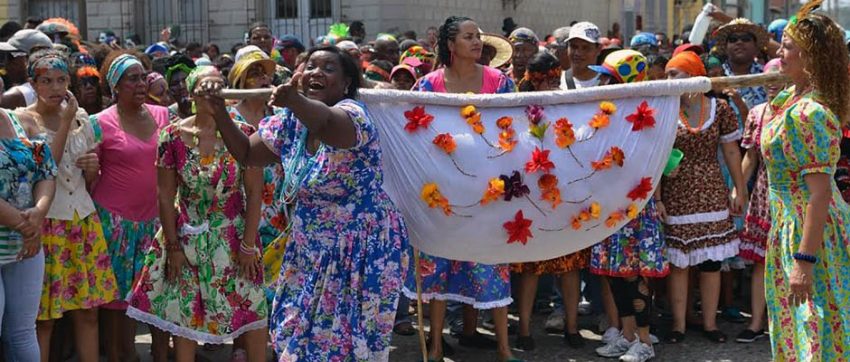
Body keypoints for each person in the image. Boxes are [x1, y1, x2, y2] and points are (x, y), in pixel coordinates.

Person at [199, 44, 408, 361]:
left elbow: (327, 125)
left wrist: (294, 100)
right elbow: (246, 153)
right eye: (310, 66)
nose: (316, 72)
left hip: (360, 250)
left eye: (327, 68)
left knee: (341, 346)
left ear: (346, 83)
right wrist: (218, 111)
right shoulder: (290, 123)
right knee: (292, 334)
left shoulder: (355, 116)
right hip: (308, 246)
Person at [126, 66, 267, 362]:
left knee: (251, 311)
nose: (214, 93)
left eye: (220, 86)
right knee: (185, 319)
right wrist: (174, 247)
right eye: (206, 87)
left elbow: (254, 193)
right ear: (192, 94)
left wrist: (248, 244)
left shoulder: (245, 135)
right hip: (188, 238)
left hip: (235, 236)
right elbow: (165, 195)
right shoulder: (172, 136)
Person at [404, 16, 520, 362]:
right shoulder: (426, 86)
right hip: (440, 192)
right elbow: (411, 130)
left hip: (489, 190)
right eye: (469, 37)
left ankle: (503, 347)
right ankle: (436, 347)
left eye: (478, 37)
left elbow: (514, 129)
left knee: (492, 263)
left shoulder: (501, 82)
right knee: (437, 266)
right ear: (450, 45)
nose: (477, 42)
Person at [14, 49, 117, 362]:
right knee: (44, 319)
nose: (56, 88)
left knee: (88, 313)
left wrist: (92, 168)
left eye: (61, 80)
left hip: (83, 220)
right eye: (46, 80)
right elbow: (46, 166)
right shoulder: (23, 120)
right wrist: (67, 119)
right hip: (48, 222)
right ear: (34, 83)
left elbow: (90, 180)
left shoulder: (82, 118)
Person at [762, 4, 850, 359]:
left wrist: (804, 259)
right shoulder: (789, 100)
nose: (779, 53)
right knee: (795, 323)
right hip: (787, 224)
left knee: (816, 322)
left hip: (810, 231)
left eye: (787, 46)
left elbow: (820, 194)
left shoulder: (809, 113)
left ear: (810, 55)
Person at [661, 50, 747, 344]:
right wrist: (658, 196)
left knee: (711, 262)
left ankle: (710, 324)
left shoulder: (719, 108)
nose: (668, 79)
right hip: (677, 192)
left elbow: (732, 151)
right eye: (668, 74)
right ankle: (678, 325)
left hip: (711, 191)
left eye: (675, 74)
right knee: (680, 263)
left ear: (694, 77)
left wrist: (739, 187)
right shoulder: (665, 108)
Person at [91, 52, 173, 362]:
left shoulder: (164, 116)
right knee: (116, 305)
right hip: (115, 224)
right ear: (115, 86)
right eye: (132, 78)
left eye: (143, 76)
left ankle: (161, 355)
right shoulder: (99, 123)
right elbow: (89, 175)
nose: (141, 83)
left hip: (157, 223)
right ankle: (122, 356)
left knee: (160, 297)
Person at [588, 50, 666, 362]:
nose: (600, 82)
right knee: (614, 275)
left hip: (634, 209)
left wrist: (657, 199)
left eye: (606, 77)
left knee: (634, 276)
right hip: (608, 207)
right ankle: (627, 335)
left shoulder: (643, 118)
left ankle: (645, 341)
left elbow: (653, 163)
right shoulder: (605, 114)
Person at [513, 51, 588, 351]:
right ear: (534, 81)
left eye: (556, 79)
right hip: (532, 196)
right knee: (532, 268)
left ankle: (572, 326)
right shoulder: (518, 107)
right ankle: (524, 329)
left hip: (565, 194)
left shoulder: (568, 105)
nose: (552, 85)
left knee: (570, 266)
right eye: (546, 80)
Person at [0, 88, 57, 362]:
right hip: (26, 234)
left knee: (23, 332)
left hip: (26, 246)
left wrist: (39, 211)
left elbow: (46, 172)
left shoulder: (21, 121)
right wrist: (28, 225)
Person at [736, 58, 782, 344]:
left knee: (790, 261)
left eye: (778, 77)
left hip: (793, 192)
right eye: (768, 79)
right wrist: (739, 190)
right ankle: (755, 323)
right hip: (765, 191)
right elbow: (750, 157)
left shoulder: (801, 111)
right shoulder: (757, 113)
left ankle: (784, 324)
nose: (773, 84)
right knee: (761, 264)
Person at [711, 18, 770, 110]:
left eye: (745, 39)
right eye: (733, 39)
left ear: (756, 47)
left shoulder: (767, 74)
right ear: (725, 48)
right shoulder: (715, 76)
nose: (739, 42)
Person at [2, 29, 54, 108]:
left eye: (10, 57)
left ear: (27, 59)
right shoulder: (60, 92)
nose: (6, 65)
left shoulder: (14, 96)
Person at [561, 22, 602, 90]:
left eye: (585, 48)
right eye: (574, 47)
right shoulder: (558, 82)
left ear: (598, 50)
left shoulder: (609, 82)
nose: (578, 53)